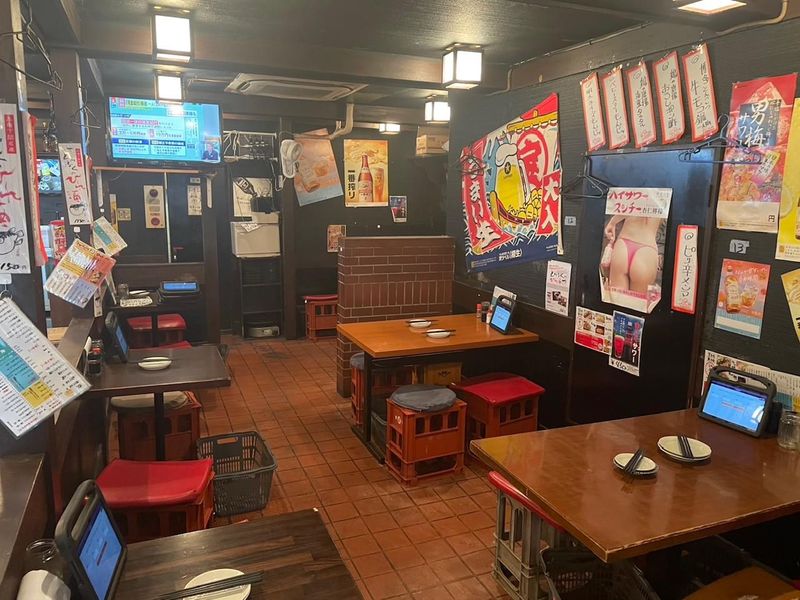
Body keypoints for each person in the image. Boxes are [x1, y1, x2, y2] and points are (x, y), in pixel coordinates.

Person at [603, 215, 661, 295]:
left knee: (617, 299)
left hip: (623, 244)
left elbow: (634, 208)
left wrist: (613, 222)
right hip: (647, 250)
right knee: (637, 301)